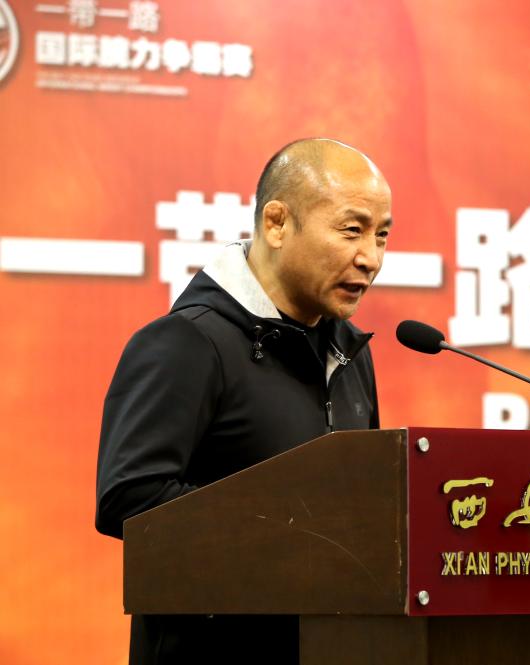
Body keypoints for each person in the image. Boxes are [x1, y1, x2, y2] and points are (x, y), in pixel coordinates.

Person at [95, 138, 392, 664]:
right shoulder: (187, 343)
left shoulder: (349, 354)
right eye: (352, 230)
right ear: (277, 223)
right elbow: (129, 500)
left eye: (382, 235)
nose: (370, 258)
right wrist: (300, 536)